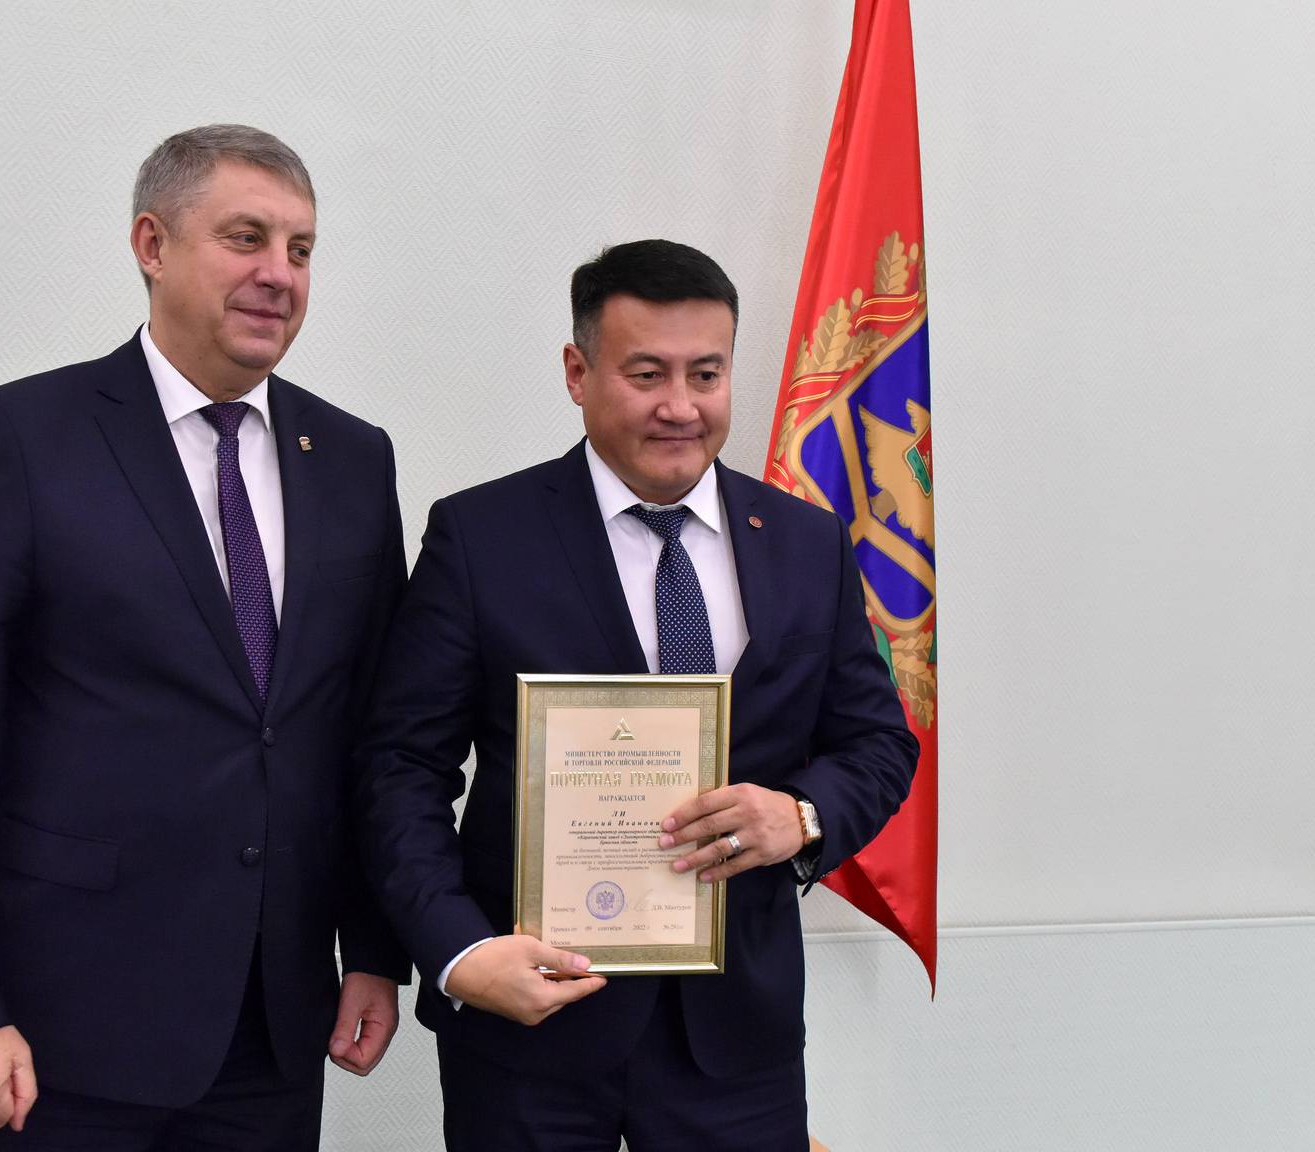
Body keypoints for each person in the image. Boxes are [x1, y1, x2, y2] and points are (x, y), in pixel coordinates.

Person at [0, 124, 408, 1150]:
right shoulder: (22, 440)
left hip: (272, 1028)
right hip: (60, 1030)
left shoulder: (350, 458)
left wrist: (375, 946)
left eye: (300, 249)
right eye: (245, 238)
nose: (279, 274)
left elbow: (369, 733)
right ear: (152, 245)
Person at [356, 239, 918, 1151]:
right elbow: (401, 767)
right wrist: (460, 950)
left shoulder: (807, 543)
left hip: (739, 1044)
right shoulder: (481, 538)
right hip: (531, 1031)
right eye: (647, 373)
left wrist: (802, 816)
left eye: (707, 374)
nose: (680, 406)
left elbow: (880, 744)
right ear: (577, 373)